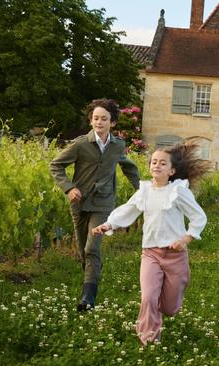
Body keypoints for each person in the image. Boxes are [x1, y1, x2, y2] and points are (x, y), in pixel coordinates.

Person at [92, 143, 209, 345]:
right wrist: (108, 224)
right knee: (148, 298)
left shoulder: (178, 191)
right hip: (151, 253)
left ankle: (163, 307)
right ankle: (149, 339)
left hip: (175, 255)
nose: (156, 165)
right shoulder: (144, 191)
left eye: (162, 163)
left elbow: (199, 217)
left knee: (171, 307)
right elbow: (127, 210)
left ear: (171, 171)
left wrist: (186, 239)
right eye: (154, 162)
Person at [50, 98, 140, 311]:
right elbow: (56, 166)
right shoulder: (81, 144)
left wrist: (143, 190)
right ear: (91, 121)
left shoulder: (118, 145)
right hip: (79, 203)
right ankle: (90, 278)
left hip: (103, 203)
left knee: (92, 247)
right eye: (96, 118)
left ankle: (88, 298)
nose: (99, 122)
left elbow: (129, 168)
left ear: (112, 123)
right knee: (83, 249)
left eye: (104, 119)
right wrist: (69, 188)